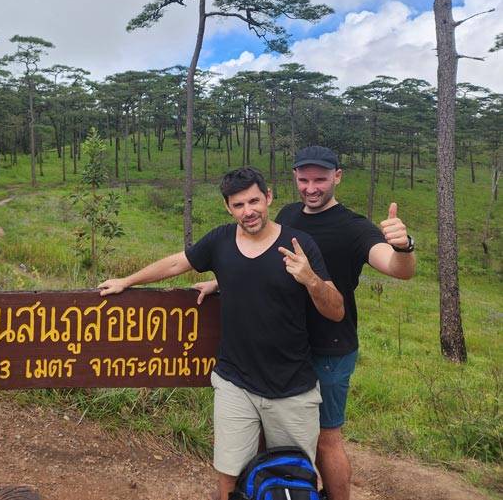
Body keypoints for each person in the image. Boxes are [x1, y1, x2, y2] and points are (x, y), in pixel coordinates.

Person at [98, 167, 344, 500]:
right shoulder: (220, 241)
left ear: (268, 197)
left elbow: (336, 310)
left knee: (295, 479)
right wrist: (127, 281)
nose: (249, 211)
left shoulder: (298, 245)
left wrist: (310, 279)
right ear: (228, 208)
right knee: (228, 480)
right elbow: (176, 264)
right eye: (239, 204)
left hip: (292, 387)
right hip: (235, 384)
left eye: (254, 201)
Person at [277, 146, 414, 500]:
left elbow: (398, 270)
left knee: (326, 437)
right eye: (304, 179)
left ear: (337, 176)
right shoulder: (287, 214)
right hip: (285, 342)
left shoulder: (354, 228)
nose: (311, 187)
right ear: (295, 177)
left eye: (320, 179)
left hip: (330, 347)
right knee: (282, 431)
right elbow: (266, 259)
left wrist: (404, 247)